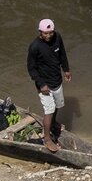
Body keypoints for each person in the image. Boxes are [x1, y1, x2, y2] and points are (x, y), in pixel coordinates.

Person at [26, 18, 71, 150]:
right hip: (44, 85)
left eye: (51, 32)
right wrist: (41, 84)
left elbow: (62, 53)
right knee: (49, 110)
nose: (49, 35)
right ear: (40, 32)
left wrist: (66, 69)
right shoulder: (35, 46)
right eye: (46, 33)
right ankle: (47, 138)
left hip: (56, 80)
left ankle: (53, 124)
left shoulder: (57, 38)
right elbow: (31, 68)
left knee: (57, 105)